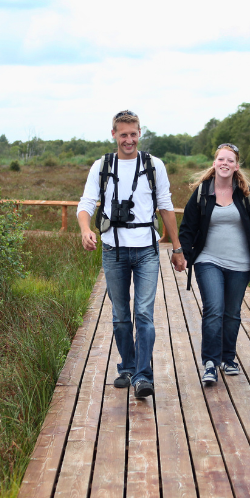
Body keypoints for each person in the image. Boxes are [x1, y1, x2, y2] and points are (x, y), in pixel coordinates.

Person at [77, 110, 186, 399]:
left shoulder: (154, 165)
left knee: (144, 314)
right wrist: (85, 229)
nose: (129, 140)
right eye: (123, 134)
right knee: (121, 315)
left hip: (147, 250)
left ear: (140, 133)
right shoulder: (102, 166)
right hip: (113, 250)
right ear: (113, 134)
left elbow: (166, 206)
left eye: (133, 134)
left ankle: (142, 375)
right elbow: (86, 202)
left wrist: (177, 248)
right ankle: (126, 366)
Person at [178, 143, 250, 386]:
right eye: (221, 159)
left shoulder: (247, 194)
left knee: (231, 314)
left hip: (240, 264)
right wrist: (183, 254)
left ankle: (228, 358)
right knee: (214, 309)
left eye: (230, 160)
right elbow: (187, 227)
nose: (225, 163)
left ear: (236, 166)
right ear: (214, 163)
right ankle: (210, 362)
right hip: (208, 260)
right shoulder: (202, 192)